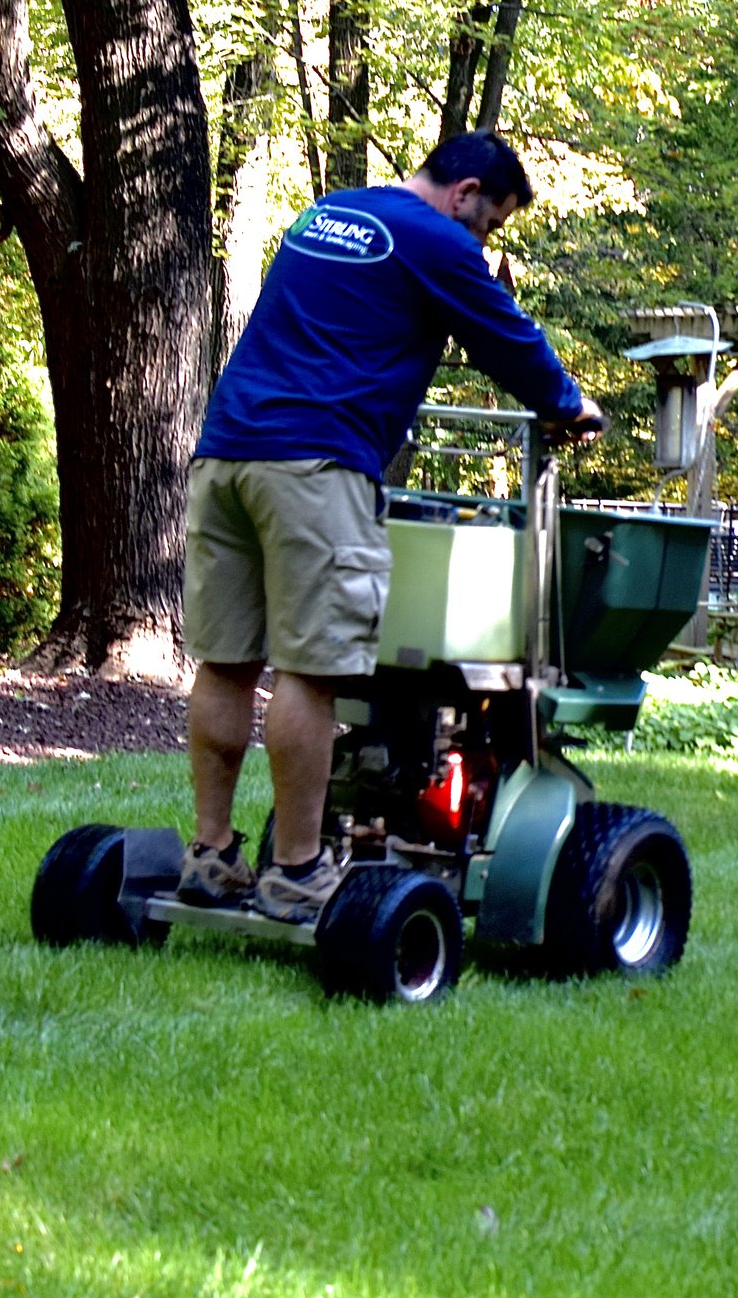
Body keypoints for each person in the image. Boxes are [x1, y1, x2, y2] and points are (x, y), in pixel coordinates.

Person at [177, 130, 605, 921]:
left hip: (226, 452)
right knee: (312, 670)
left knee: (226, 661)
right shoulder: (439, 240)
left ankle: (210, 853)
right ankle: (297, 870)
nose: (482, 241)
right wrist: (567, 402)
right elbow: (506, 339)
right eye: (489, 223)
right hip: (317, 464)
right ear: (465, 191)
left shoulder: (327, 214)